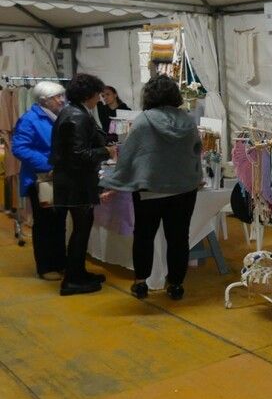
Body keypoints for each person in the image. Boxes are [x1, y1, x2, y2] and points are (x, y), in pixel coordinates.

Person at [100, 75, 202, 301]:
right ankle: (176, 285)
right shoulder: (187, 120)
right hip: (183, 189)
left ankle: (141, 283)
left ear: (149, 95)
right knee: (178, 238)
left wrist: (113, 183)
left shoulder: (143, 121)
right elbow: (196, 151)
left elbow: (128, 155)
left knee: (144, 236)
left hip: (150, 190)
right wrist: (196, 177)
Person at [50, 73, 116, 296]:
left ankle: (78, 272)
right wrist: (105, 151)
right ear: (89, 94)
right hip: (76, 184)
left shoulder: (73, 112)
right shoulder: (77, 116)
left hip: (73, 181)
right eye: (98, 94)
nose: (99, 98)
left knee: (81, 229)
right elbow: (79, 154)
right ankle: (72, 280)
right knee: (80, 230)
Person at [11, 82, 68, 281]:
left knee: (59, 222)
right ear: (44, 100)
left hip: (58, 177)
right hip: (40, 180)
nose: (61, 100)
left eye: (62, 96)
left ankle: (60, 262)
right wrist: (47, 165)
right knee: (45, 224)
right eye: (57, 97)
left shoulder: (59, 116)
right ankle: (45, 266)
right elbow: (19, 148)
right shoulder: (30, 119)